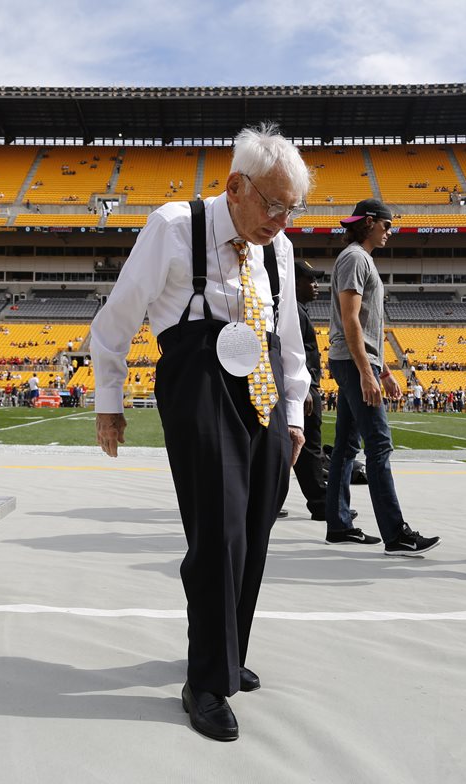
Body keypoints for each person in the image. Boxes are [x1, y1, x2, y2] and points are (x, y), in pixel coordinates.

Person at [89, 122, 310, 742]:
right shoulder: (172, 225)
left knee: (256, 521)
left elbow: (288, 334)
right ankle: (206, 680)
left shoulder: (280, 248)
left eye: (290, 210)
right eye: (272, 205)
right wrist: (110, 403)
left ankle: (228, 645)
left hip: (261, 375)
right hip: (197, 372)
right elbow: (114, 323)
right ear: (235, 186)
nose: (280, 221)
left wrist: (295, 413)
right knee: (218, 525)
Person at [324, 198, 441, 555]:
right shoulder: (356, 258)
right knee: (378, 445)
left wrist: (384, 370)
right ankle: (396, 533)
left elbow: (368, 326)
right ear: (370, 222)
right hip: (353, 362)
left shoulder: (360, 259)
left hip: (358, 361)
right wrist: (365, 371)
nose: (390, 232)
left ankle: (339, 524)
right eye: (387, 226)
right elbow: (351, 319)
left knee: (346, 446)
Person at [286, 259, 327, 520]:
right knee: (310, 446)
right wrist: (308, 388)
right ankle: (321, 503)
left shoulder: (296, 310)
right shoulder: (295, 312)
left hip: (304, 387)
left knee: (300, 448)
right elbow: (297, 355)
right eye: (310, 280)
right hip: (304, 389)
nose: (316, 285)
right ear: (295, 282)